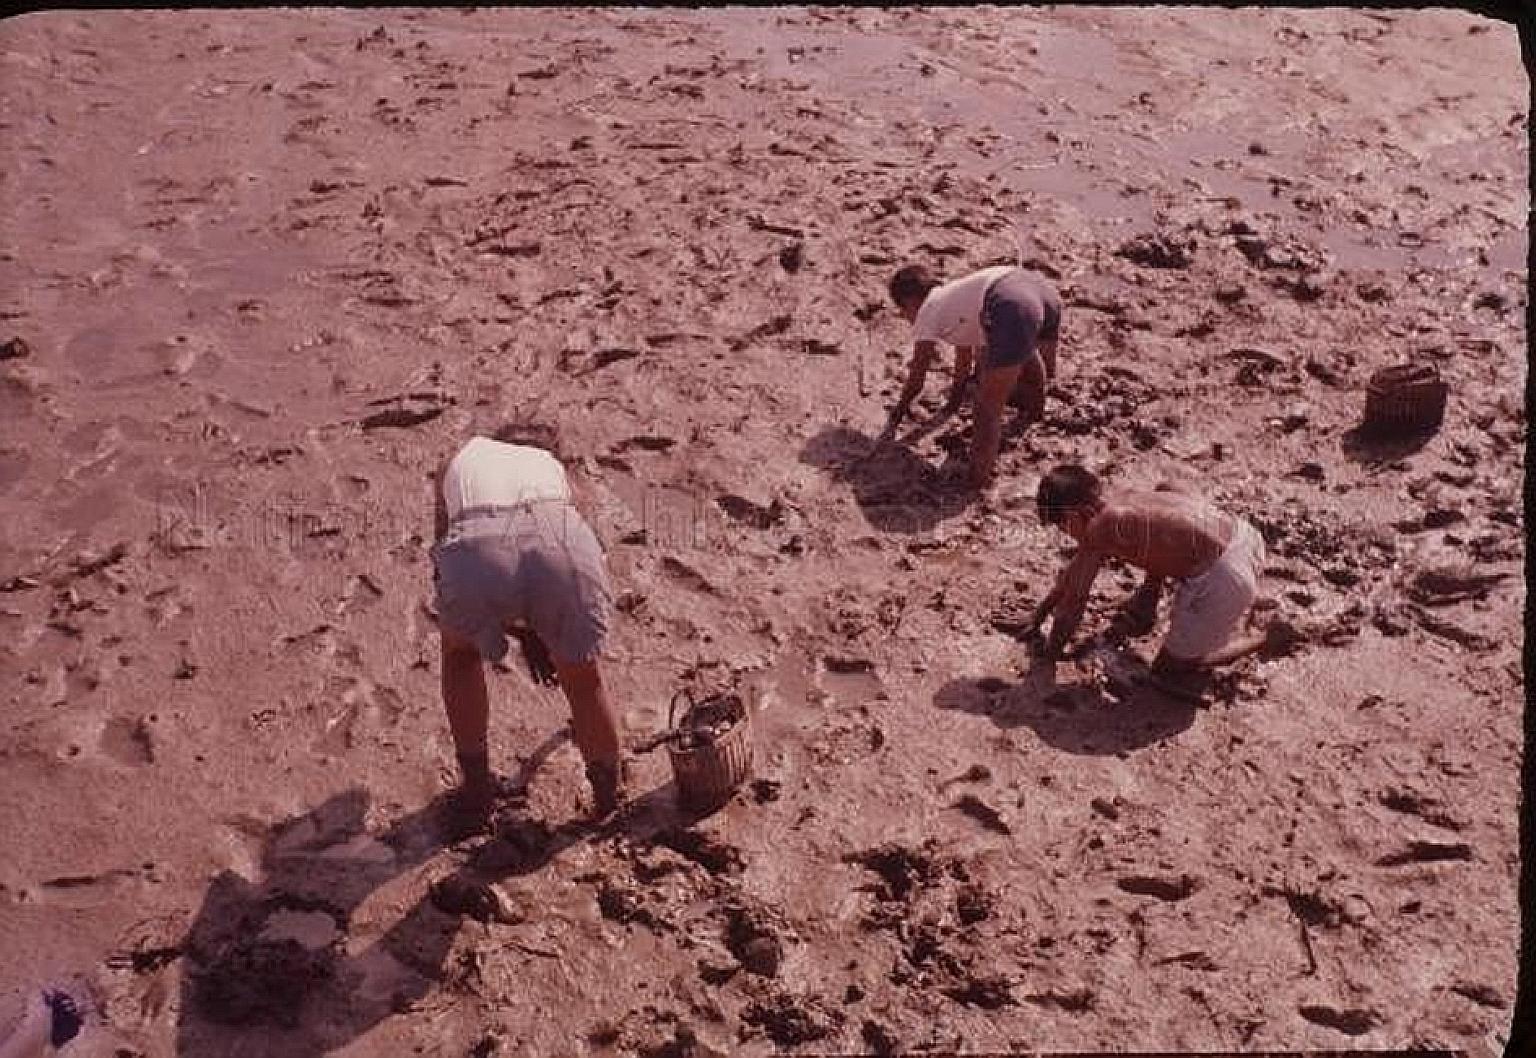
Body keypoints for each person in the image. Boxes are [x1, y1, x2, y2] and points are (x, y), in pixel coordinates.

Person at [431, 426, 622, 824]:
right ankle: (608, 801)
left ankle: (478, 793)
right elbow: (579, 541)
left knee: (460, 656)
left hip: (476, 546)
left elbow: (444, 550)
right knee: (585, 680)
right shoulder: (552, 468)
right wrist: (542, 631)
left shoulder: (459, 457)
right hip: (561, 539)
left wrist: (506, 626)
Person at [1024, 465, 1286, 699]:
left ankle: (1265, 637)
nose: (1067, 535)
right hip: (1245, 537)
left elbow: (1074, 601)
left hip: (1227, 579)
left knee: (1166, 671)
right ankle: (1150, 602)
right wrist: (1039, 615)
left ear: (1076, 513)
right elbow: (1074, 573)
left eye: (1063, 526)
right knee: (1167, 499)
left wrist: (1050, 655)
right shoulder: (1121, 500)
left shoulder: (1101, 527)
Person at [881, 262, 1062, 489]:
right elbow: (963, 359)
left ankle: (976, 481)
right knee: (1026, 353)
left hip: (1009, 302)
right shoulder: (956, 298)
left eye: (903, 312)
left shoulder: (927, 312)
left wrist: (897, 412)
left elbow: (917, 378)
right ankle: (1035, 413)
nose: (906, 318)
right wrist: (953, 403)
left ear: (909, 302)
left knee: (988, 408)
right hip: (1041, 290)